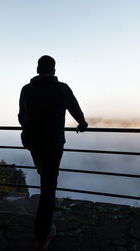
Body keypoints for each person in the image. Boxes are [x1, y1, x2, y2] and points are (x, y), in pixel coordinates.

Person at [18, 55, 88, 250]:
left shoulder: (27, 89)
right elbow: (76, 110)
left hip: (33, 142)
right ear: (54, 71)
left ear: (37, 69)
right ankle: (43, 234)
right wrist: (82, 123)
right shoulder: (62, 89)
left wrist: (30, 127)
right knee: (49, 188)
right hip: (53, 143)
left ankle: (40, 166)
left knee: (45, 175)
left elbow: (21, 115)